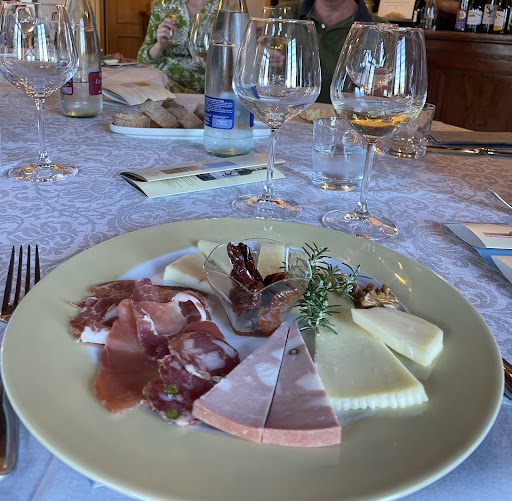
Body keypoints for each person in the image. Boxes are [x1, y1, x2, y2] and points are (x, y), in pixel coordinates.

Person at [279, 0, 386, 103]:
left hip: (348, 115)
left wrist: (382, 92)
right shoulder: (283, 14)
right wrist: (267, 60)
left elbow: (387, 94)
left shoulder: (384, 30)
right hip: (288, 113)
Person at [138, 0, 219, 94]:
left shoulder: (225, 6)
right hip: (162, 77)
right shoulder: (165, 3)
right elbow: (142, 58)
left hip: (205, 82)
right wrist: (160, 45)